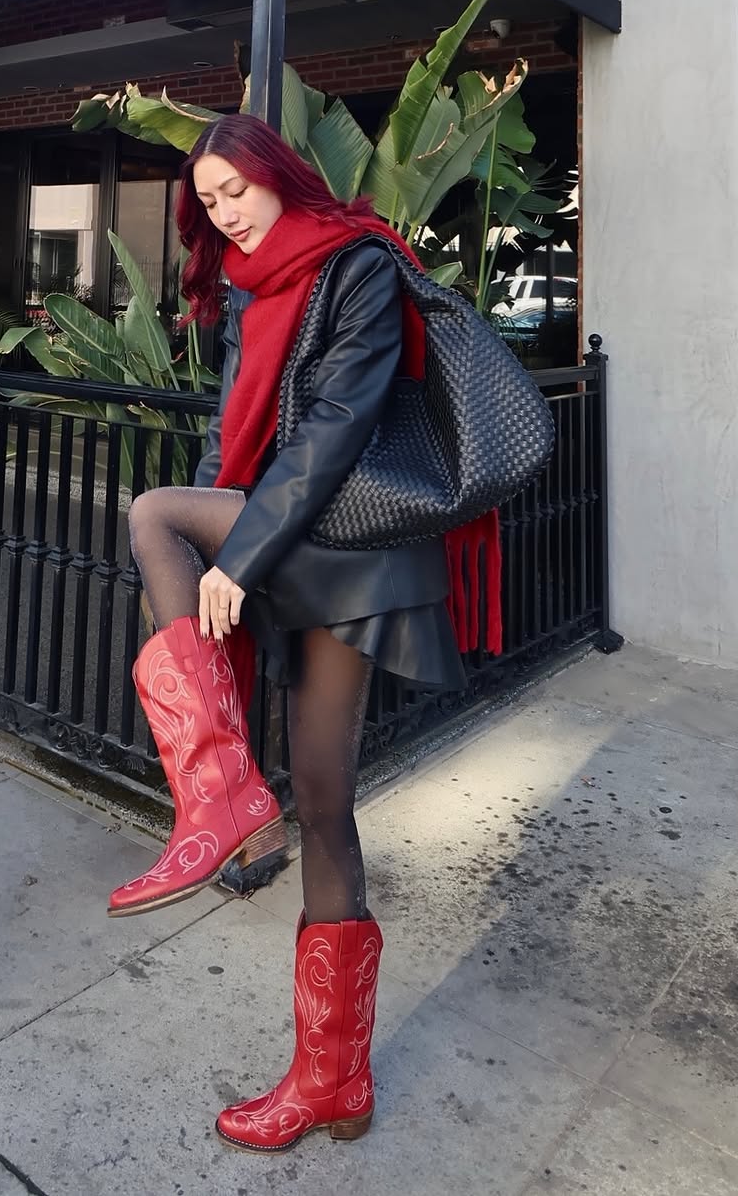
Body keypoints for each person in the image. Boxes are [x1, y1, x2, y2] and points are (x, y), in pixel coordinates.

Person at [108, 113, 484, 1154]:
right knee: (321, 803)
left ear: (280, 174)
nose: (225, 210)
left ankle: (218, 790)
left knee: (154, 514)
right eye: (210, 201)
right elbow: (251, 430)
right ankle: (337, 1082)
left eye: (237, 189)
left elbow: (334, 431)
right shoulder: (249, 283)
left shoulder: (355, 260)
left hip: (352, 540)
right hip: (303, 538)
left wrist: (237, 558)